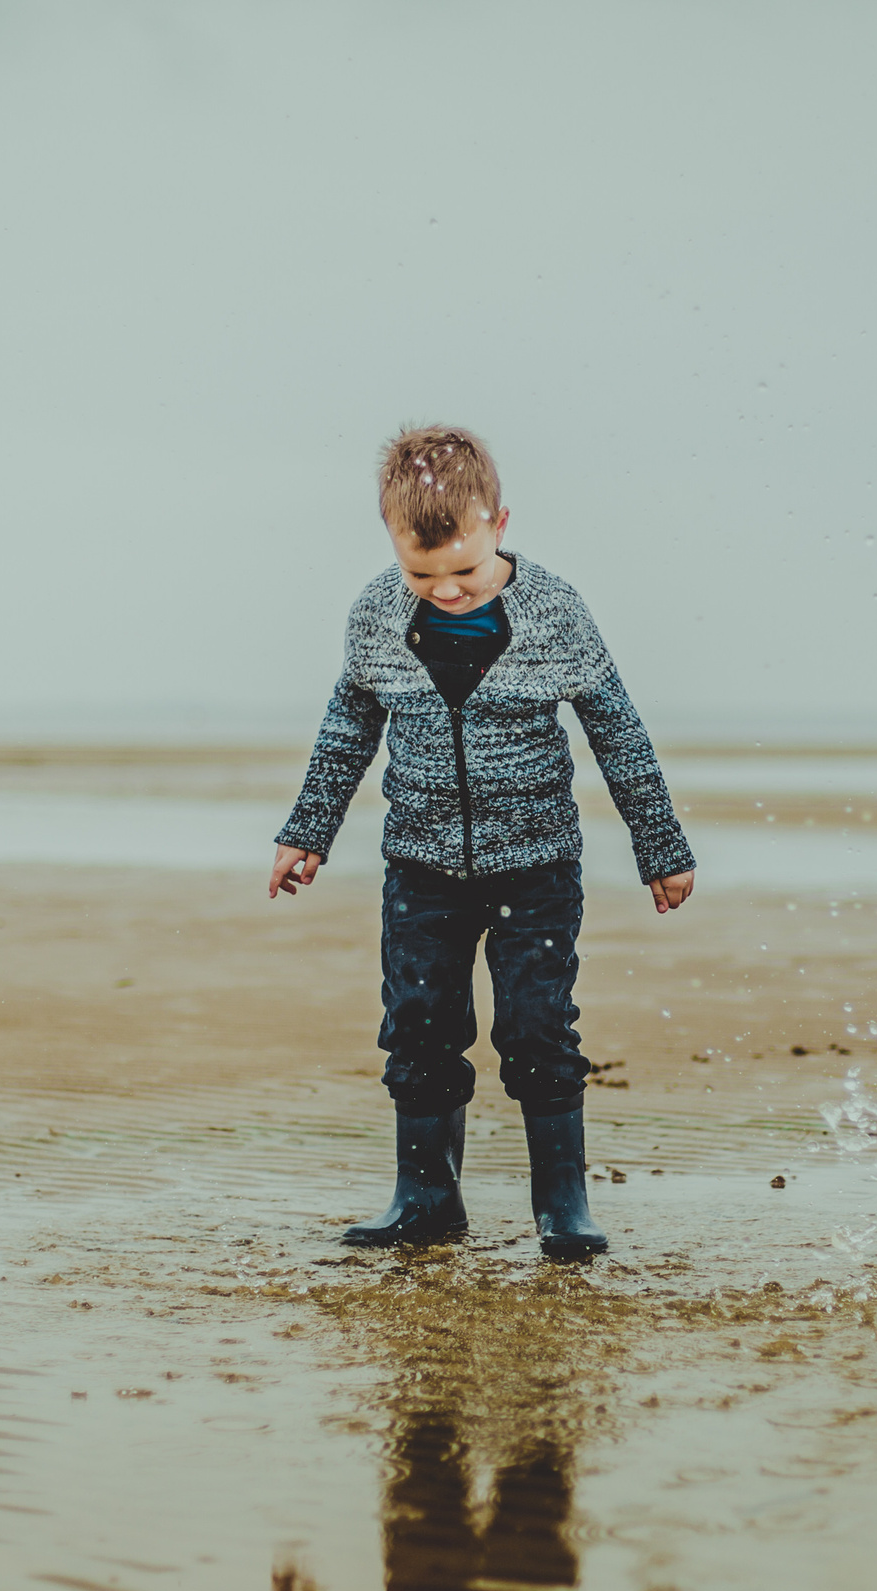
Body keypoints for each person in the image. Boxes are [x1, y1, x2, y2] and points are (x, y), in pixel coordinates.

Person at [271, 425, 696, 1258]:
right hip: (421, 865)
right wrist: (307, 832)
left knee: (538, 1029)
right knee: (420, 1024)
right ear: (393, 545)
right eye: (421, 574)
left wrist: (662, 846)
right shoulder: (375, 617)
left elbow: (619, 732)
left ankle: (562, 1206)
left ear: (499, 524)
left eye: (463, 570)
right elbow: (346, 727)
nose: (446, 590)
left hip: (536, 863)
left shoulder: (555, 612)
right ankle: (426, 1197)